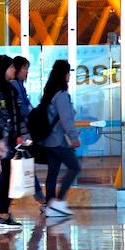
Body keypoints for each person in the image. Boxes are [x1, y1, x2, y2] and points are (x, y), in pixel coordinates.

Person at [0, 56, 45, 206]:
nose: (25, 72)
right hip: (17, 134)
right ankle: (40, 200)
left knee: (17, 164)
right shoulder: (13, 86)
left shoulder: (17, 85)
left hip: (18, 133)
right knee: (18, 164)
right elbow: (20, 111)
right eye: (24, 69)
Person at [0, 55, 28, 230]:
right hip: (5, 139)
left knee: (9, 174)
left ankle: (3, 212)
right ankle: (3, 214)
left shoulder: (5, 90)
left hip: (7, 138)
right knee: (9, 175)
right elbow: (1, 118)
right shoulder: (0, 92)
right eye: (11, 67)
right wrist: (14, 135)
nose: (14, 70)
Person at [40, 60, 81, 217]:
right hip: (59, 140)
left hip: (49, 141)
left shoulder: (50, 93)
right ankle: (58, 201)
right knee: (75, 167)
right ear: (64, 74)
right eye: (68, 72)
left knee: (53, 172)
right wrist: (74, 137)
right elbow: (66, 119)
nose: (69, 75)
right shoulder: (62, 95)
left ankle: (50, 205)